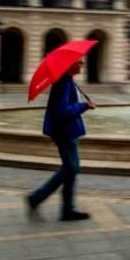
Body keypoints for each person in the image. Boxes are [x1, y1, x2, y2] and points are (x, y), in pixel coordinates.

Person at [26, 58, 96, 221]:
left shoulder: (68, 80)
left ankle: (67, 209)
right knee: (71, 168)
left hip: (68, 131)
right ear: (70, 64)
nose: (82, 64)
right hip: (64, 132)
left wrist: (83, 105)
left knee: (71, 168)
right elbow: (61, 110)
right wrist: (85, 106)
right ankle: (37, 198)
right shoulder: (63, 81)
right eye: (79, 62)